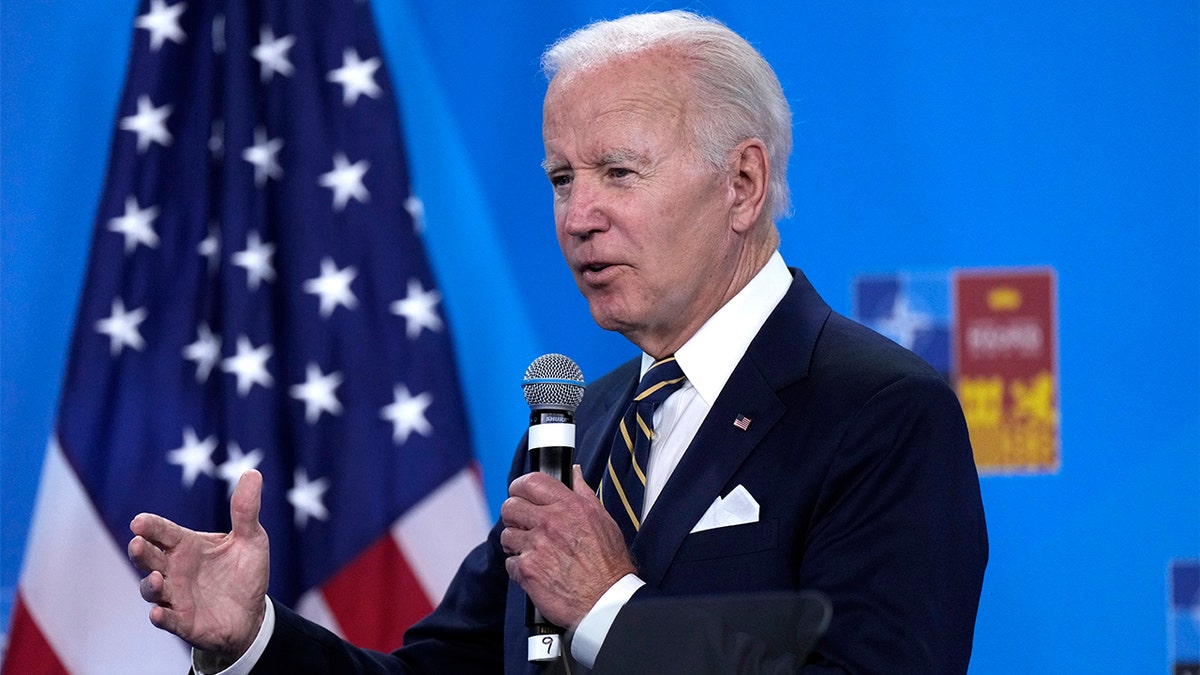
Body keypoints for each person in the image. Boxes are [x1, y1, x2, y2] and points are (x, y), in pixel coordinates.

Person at [129, 10, 988, 674]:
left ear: (743, 183)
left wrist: (610, 605)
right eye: (562, 179)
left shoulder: (880, 413)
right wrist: (254, 637)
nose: (578, 217)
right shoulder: (581, 424)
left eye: (618, 172)